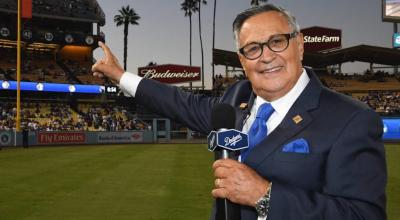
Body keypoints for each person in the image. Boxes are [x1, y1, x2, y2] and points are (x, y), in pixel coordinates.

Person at [91, 4, 387, 220]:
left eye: (277, 41)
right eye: (253, 48)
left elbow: (363, 214)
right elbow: (180, 103)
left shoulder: (352, 119)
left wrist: (265, 196)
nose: (266, 56)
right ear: (242, 61)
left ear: (299, 45)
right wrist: (120, 75)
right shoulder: (237, 97)